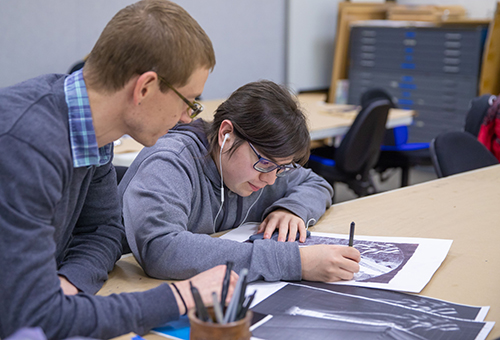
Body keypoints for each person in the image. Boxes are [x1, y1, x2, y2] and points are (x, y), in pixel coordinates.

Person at [0, 1, 238, 339]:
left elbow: (103, 230)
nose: (188, 118)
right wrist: (183, 296)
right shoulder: (25, 145)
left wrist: (70, 283)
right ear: (144, 87)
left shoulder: (93, 132)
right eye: (189, 101)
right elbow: (35, 319)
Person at [119, 80, 361, 283]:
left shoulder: (268, 168)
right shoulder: (170, 162)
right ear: (226, 134)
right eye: (264, 163)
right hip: (128, 287)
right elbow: (162, 250)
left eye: (282, 168)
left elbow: (315, 183)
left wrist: (291, 209)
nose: (269, 179)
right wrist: (296, 262)